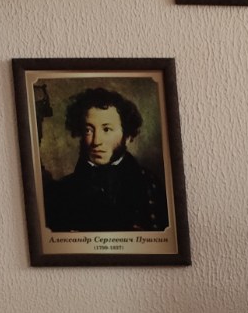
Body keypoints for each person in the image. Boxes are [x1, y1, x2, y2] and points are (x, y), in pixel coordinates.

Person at [42, 86, 169, 234]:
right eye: (88, 130)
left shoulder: (150, 185)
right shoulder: (59, 192)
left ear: (127, 136)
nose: (96, 141)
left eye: (107, 129)